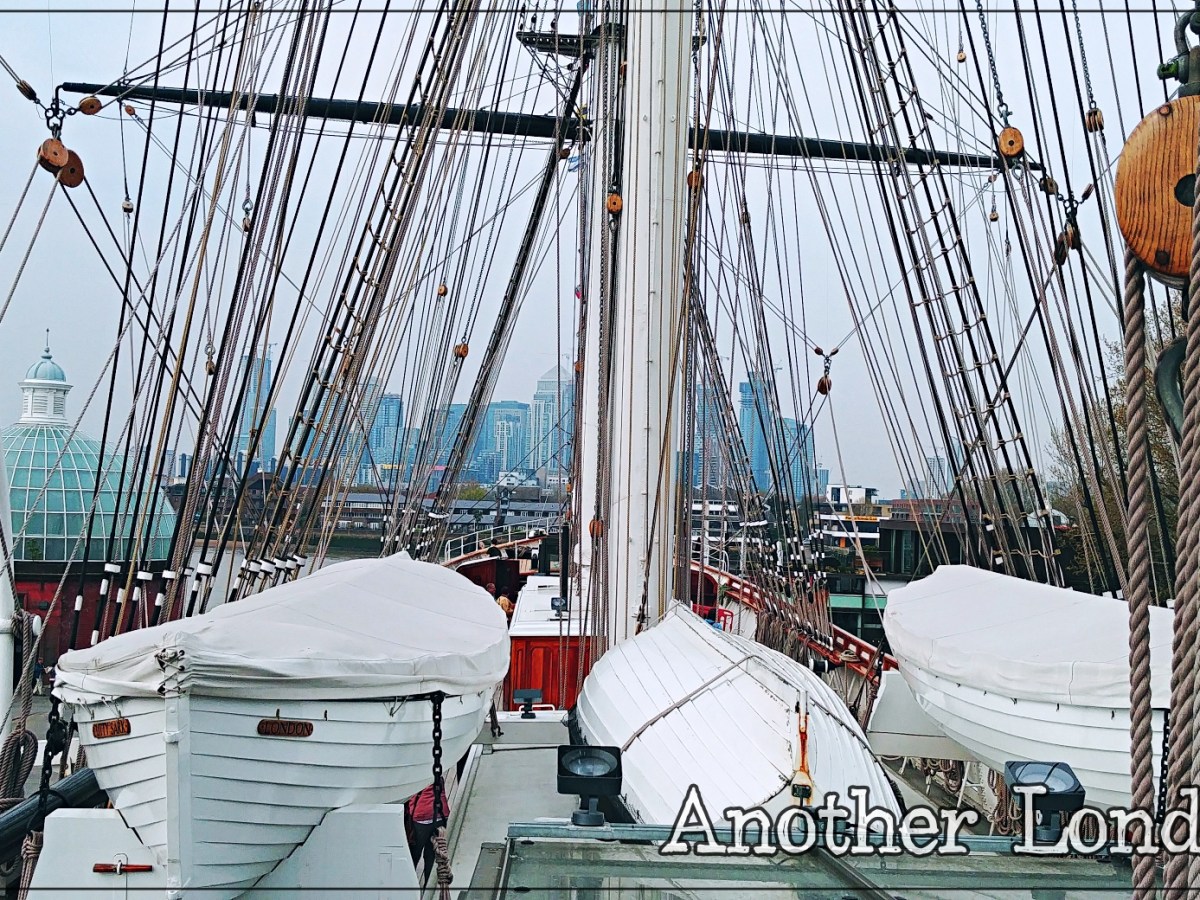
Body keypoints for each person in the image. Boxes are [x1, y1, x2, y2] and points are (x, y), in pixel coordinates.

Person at [405, 783, 450, 885]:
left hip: (421, 817)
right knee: (431, 855)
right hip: (441, 815)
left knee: (413, 854)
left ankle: (408, 884)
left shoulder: (416, 779)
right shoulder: (437, 776)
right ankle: (428, 886)